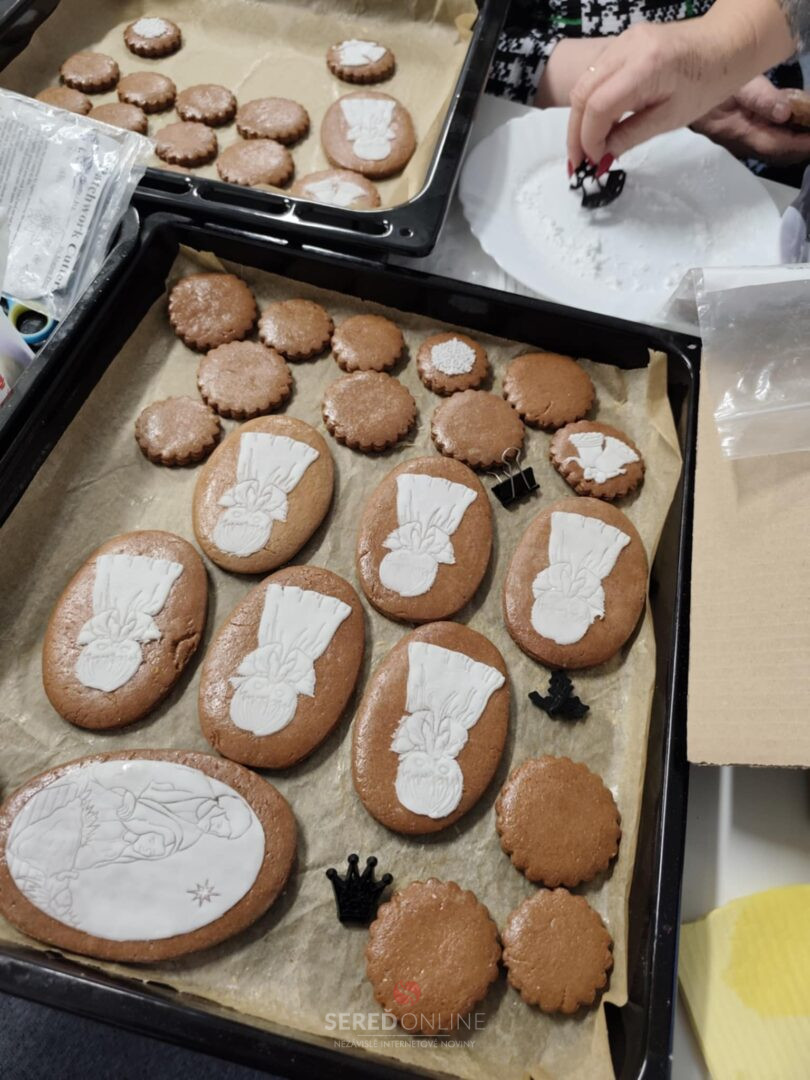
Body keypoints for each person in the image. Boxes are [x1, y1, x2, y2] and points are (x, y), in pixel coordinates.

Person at [487, 0, 810, 181]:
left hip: (761, 156)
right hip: (526, 142)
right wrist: (640, 83)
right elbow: (468, 48)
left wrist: (727, 48)